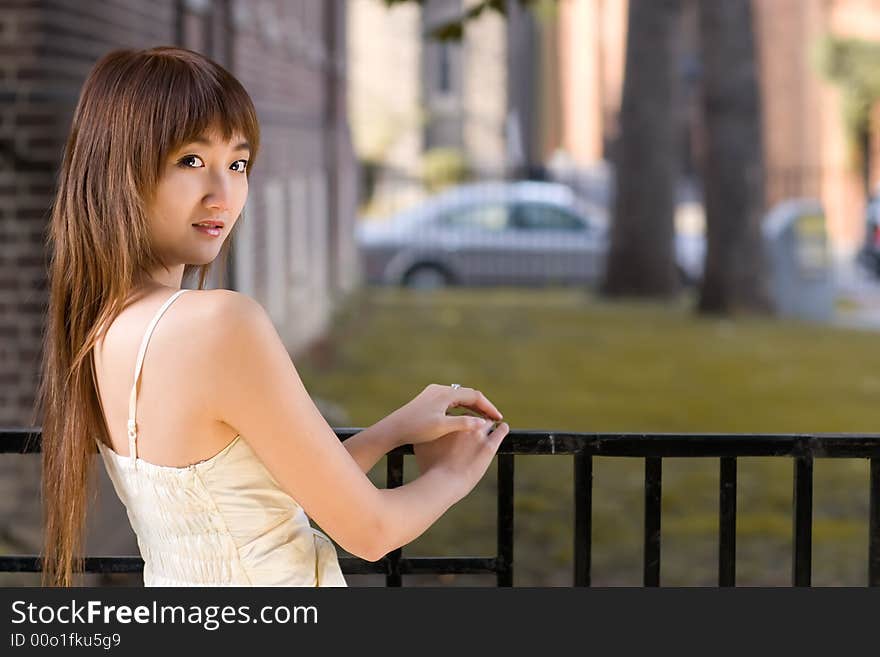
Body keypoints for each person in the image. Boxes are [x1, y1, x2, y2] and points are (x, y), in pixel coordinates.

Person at [35, 46, 509, 587]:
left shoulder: (97, 327)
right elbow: (372, 532)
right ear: (118, 171)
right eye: (191, 161)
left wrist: (385, 433)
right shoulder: (218, 325)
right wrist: (454, 473)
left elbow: (250, 505)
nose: (224, 194)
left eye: (237, 164)